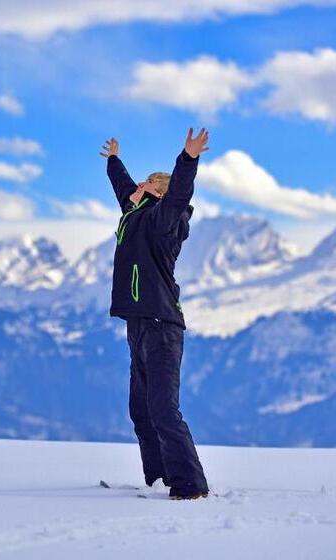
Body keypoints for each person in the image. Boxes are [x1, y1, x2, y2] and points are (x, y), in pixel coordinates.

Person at [99, 128, 210, 500]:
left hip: (162, 327)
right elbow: (124, 188)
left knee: (164, 409)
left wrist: (188, 159)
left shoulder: (164, 222)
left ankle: (190, 485)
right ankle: (159, 479)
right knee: (141, 412)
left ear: (158, 193)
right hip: (139, 325)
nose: (140, 184)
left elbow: (179, 193)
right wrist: (115, 160)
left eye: (148, 182)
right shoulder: (135, 214)